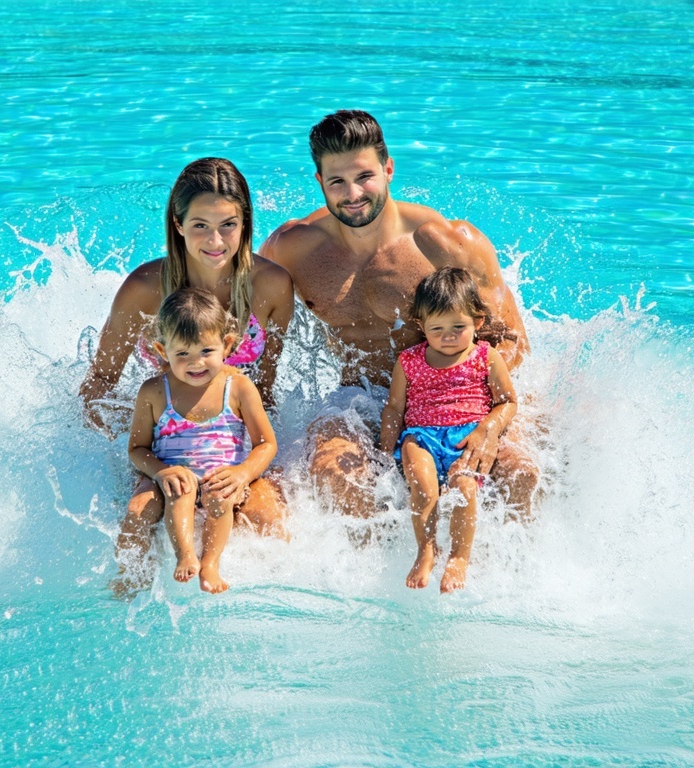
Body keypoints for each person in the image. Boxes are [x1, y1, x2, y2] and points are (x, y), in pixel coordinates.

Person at [261, 109, 537, 519]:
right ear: (320, 181)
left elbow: (513, 340)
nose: (352, 194)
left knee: (521, 475)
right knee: (333, 474)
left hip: (457, 395)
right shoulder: (292, 249)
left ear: (388, 168)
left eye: (364, 177)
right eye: (337, 181)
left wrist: (488, 420)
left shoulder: (445, 243)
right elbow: (244, 321)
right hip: (361, 398)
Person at [81, 157, 292, 538]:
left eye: (229, 225)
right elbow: (100, 381)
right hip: (165, 441)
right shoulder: (144, 289)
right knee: (140, 520)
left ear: (245, 223)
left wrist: (250, 467)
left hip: (233, 441)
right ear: (178, 225)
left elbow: (266, 387)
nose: (216, 241)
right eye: (200, 226)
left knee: (272, 524)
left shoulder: (272, 285)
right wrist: (135, 453)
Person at [121, 289, 278, 594]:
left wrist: (242, 474)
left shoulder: (239, 388)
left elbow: (266, 444)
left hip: (221, 477)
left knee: (220, 496)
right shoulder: (154, 392)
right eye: (183, 354)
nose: (196, 363)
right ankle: (134, 577)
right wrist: (160, 472)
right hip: (170, 476)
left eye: (206, 351)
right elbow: (136, 449)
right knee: (138, 510)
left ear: (227, 345)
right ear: (162, 350)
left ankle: (210, 565)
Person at [380, 268, 517, 593]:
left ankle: (459, 557)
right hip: (422, 437)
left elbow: (508, 402)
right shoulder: (409, 360)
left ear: (477, 323)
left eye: (459, 327)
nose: (448, 336)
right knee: (423, 486)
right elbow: (395, 408)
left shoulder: (485, 356)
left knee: (463, 489)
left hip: (467, 436)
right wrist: (385, 452)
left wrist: (489, 428)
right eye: (437, 328)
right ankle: (427, 549)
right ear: (421, 325)